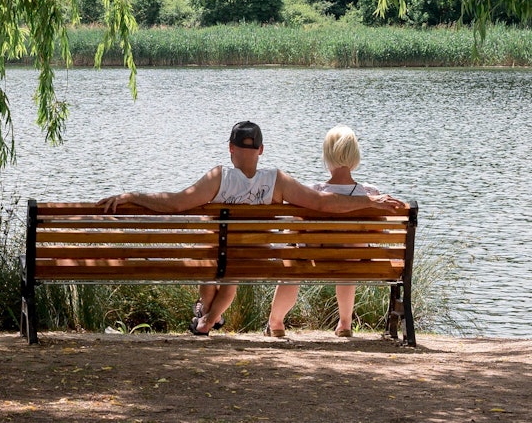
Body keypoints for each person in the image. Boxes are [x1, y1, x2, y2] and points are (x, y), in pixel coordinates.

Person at [97, 120, 404, 337]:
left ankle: (205, 316)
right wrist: (372, 204)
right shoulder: (276, 180)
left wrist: (132, 196)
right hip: (255, 257)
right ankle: (206, 321)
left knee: (214, 265)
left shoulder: (218, 177)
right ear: (261, 150)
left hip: (216, 256)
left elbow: (176, 203)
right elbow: (323, 203)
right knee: (229, 274)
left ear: (230, 148)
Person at [265, 124, 387, 338]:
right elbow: (379, 231)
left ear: (327, 154)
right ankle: (345, 323)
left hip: (314, 258)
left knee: (293, 257)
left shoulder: (314, 193)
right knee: (350, 259)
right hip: (352, 259)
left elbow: (294, 230)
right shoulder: (370, 194)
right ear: (355, 155)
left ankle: (276, 323)